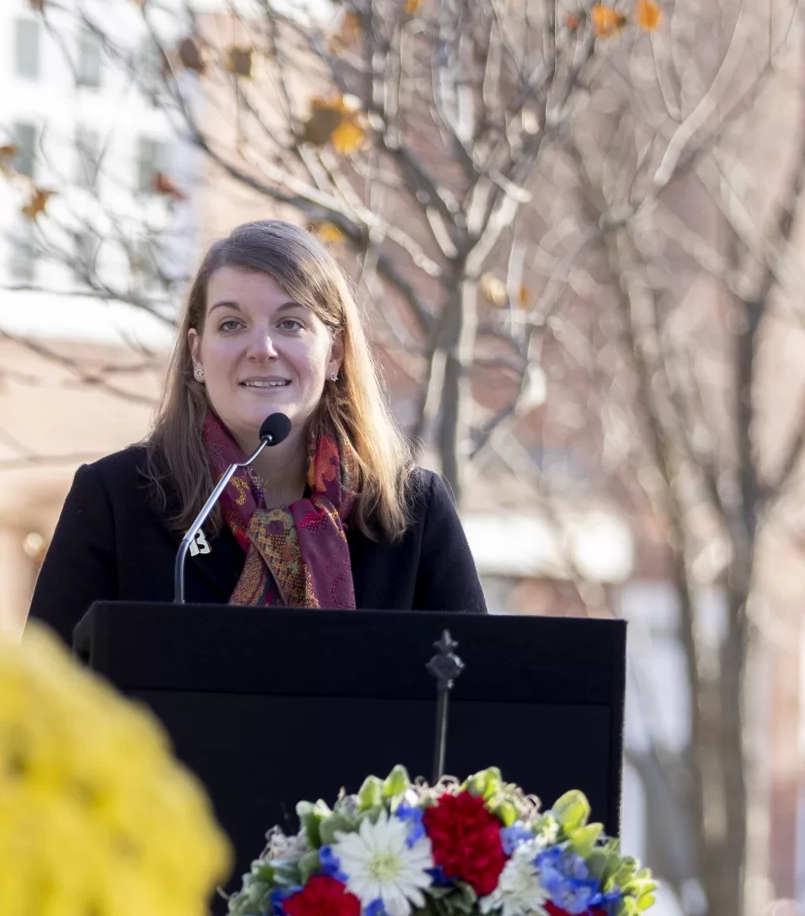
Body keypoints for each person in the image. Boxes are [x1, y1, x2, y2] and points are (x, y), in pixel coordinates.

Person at [28, 218, 486, 643]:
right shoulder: (115, 499)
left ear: (335, 353)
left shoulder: (414, 511)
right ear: (198, 354)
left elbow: (479, 706)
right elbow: (39, 703)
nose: (262, 349)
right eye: (231, 324)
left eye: (290, 323)